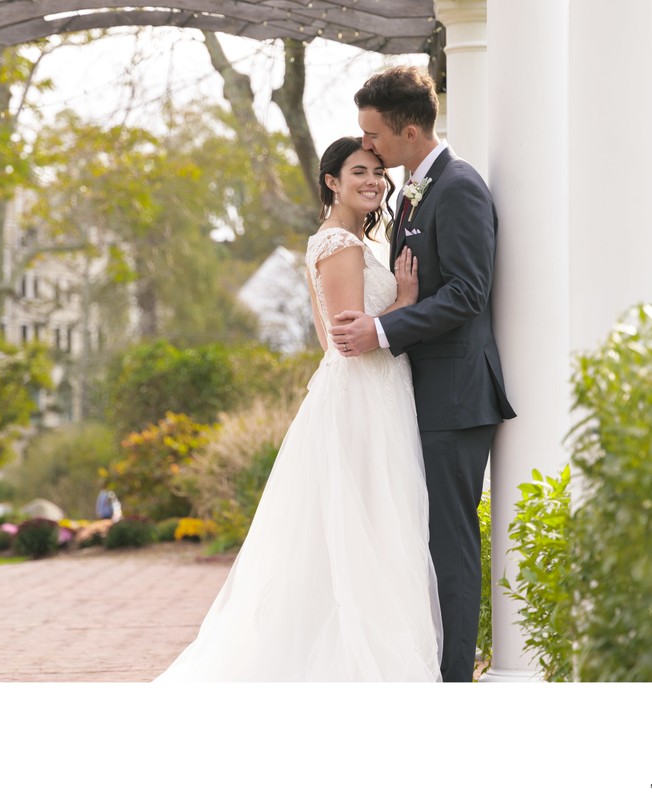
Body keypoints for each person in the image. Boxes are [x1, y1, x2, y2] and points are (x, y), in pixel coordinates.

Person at [157, 137, 442, 682]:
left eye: (378, 173)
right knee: (372, 525)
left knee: (370, 526)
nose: (374, 182)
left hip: (368, 392)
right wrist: (406, 299)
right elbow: (346, 339)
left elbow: (324, 333)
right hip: (364, 398)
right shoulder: (341, 244)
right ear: (331, 181)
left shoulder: (340, 242)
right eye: (359, 171)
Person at [331, 66, 517, 682]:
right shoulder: (414, 191)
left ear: (408, 130)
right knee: (425, 540)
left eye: (374, 135)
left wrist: (382, 330)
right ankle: (431, 668)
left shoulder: (458, 186)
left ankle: (455, 681)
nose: (369, 148)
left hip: (457, 395)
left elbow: (468, 293)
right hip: (421, 392)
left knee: (451, 542)